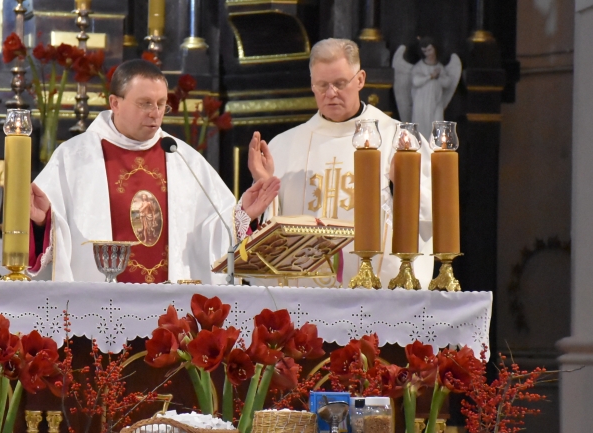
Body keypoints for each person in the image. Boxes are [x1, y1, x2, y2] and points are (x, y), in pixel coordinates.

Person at [29, 59, 279, 283]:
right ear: (115, 103)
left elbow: (211, 233)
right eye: (145, 103)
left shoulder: (181, 157)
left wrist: (242, 214)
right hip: (99, 305)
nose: (155, 113)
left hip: (170, 312)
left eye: (161, 104)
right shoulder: (75, 156)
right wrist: (42, 221)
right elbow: (50, 229)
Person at [248, 38, 433, 285]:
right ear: (312, 85)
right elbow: (268, 234)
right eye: (322, 85)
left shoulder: (399, 138)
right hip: (303, 298)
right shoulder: (283, 146)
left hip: (376, 293)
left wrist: (405, 193)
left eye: (339, 83)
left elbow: (428, 220)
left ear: (360, 80)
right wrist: (263, 185)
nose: (331, 93)